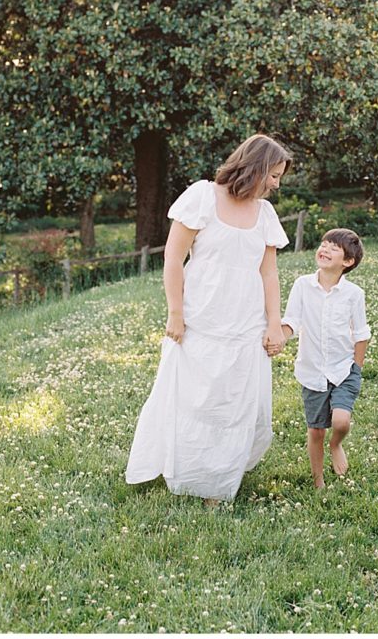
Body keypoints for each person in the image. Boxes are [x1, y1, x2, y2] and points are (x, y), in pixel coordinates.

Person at [125, 133, 292, 502]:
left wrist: (274, 322)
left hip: (245, 323)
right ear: (257, 166)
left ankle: (218, 482)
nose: (277, 184)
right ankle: (188, 472)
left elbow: (269, 273)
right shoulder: (202, 196)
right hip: (200, 318)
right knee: (194, 399)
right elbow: (173, 258)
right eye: (274, 175)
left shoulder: (265, 214)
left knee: (233, 404)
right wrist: (175, 312)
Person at [281, 228, 370, 489]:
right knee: (316, 431)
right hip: (312, 371)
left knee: (341, 421)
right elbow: (292, 321)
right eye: (323, 244)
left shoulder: (354, 294)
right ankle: (319, 481)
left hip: (344, 368)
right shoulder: (302, 285)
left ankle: (337, 444)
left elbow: (362, 334)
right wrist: (281, 336)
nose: (325, 249)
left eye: (333, 247)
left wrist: (357, 367)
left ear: (347, 262)